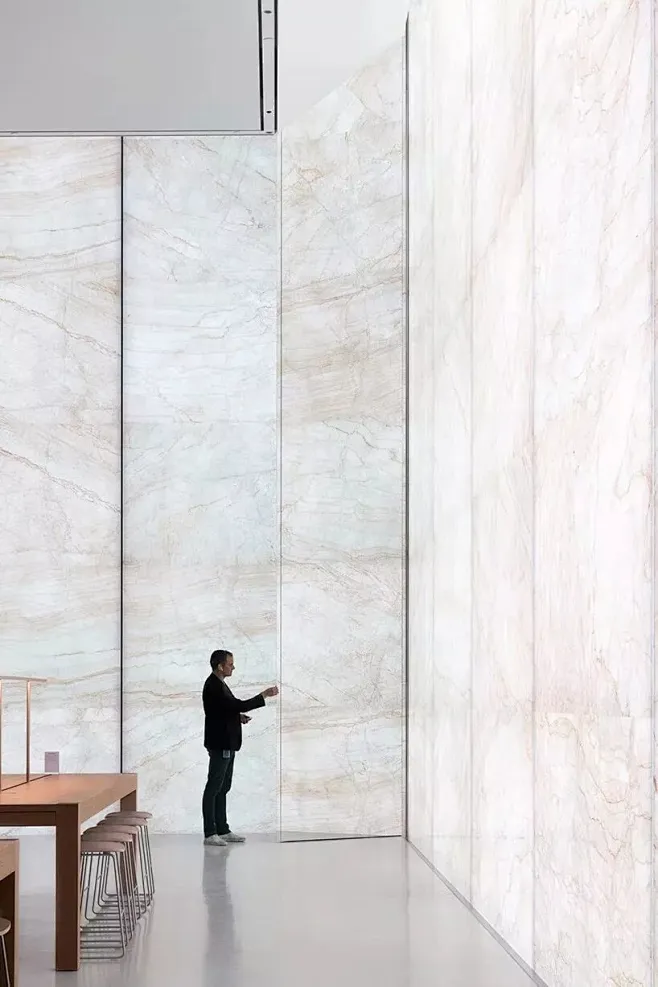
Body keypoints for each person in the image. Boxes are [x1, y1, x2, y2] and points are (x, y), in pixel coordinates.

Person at [202, 649, 278, 846]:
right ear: (220, 666)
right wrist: (263, 696)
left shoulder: (219, 685)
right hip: (221, 744)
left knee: (223, 787)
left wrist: (238, 718)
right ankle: (210, 833)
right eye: (230, 664)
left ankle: (222, 829)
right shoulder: (214, 686)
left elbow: (225, 710)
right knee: (214, 787)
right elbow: (237, 705)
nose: (233, 667)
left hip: (226, 743)